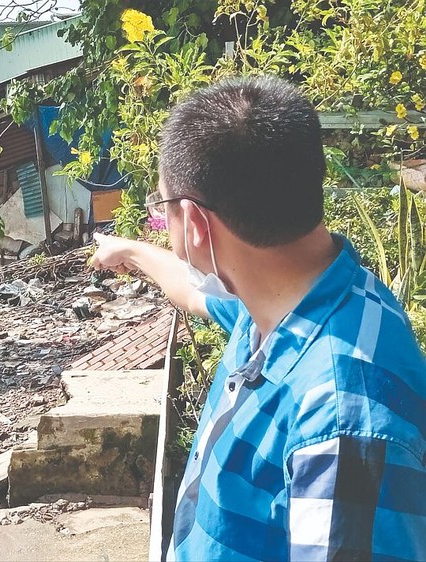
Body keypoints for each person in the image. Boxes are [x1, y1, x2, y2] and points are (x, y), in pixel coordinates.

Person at [91, 76, 426, 561]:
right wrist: (128, 250)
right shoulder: (294, 303)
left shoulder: (342, 419)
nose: (165, 227)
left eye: (163, 210)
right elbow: (191, 290)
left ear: (198, 225)